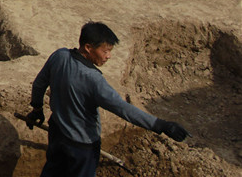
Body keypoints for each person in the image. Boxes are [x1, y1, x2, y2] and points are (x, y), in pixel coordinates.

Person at [25, 21, 190, 177]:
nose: (108, 56)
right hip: (83, 146)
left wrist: (37, 109)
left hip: (57, 134)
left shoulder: (59, 56)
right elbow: (123, 109)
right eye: (105, 51)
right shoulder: (94, 79)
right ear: (88, 47)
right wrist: (161, 125)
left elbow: (39, 84)